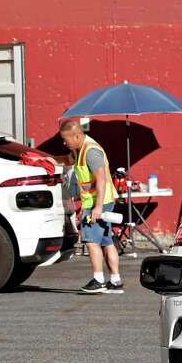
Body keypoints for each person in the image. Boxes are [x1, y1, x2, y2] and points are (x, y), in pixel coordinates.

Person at [55, 120, 123, 294]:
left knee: (92, 241)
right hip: (101, 201)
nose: (64, 142)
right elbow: (67, 161)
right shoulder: (80, 149)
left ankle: (98, 280)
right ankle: (115, 281)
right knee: (107, 242)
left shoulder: (90, 151)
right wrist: (46, 159)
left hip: (96, 203)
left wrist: (97, 207)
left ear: (77, 135)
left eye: (66, 139)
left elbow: (101, 178)